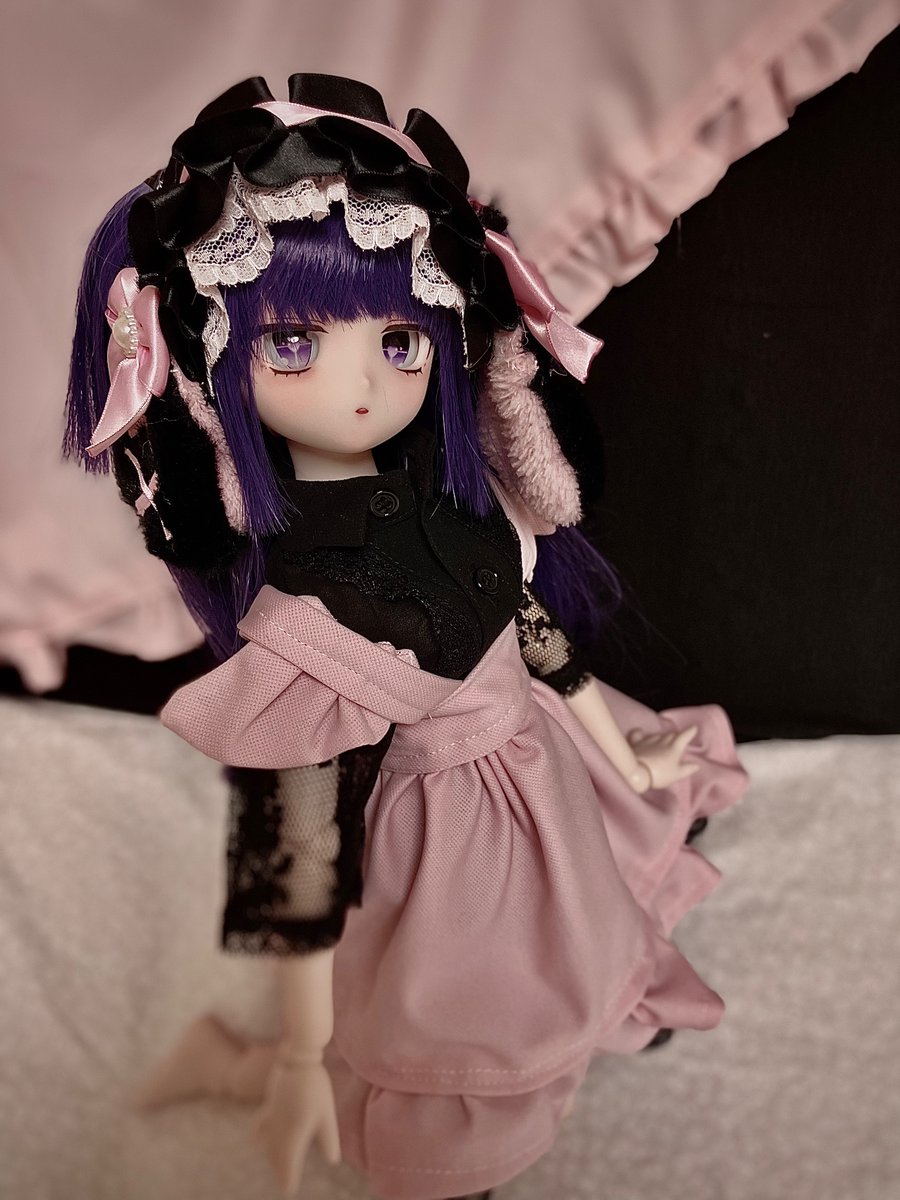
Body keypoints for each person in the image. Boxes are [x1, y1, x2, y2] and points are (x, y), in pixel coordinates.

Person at [65, 73, 747, 1200]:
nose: (364, 386)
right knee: (459, 1044)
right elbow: (298, 856)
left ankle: (306, 1059)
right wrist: (297, 1055)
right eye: (293, 345)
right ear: (211, 369)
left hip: (543, 778)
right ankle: (255, 1067)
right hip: (448, 850)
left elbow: (523, 622)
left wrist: (628, 760)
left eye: (399, 337)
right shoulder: (308, 612)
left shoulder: (453, 493)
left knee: (581, 941)